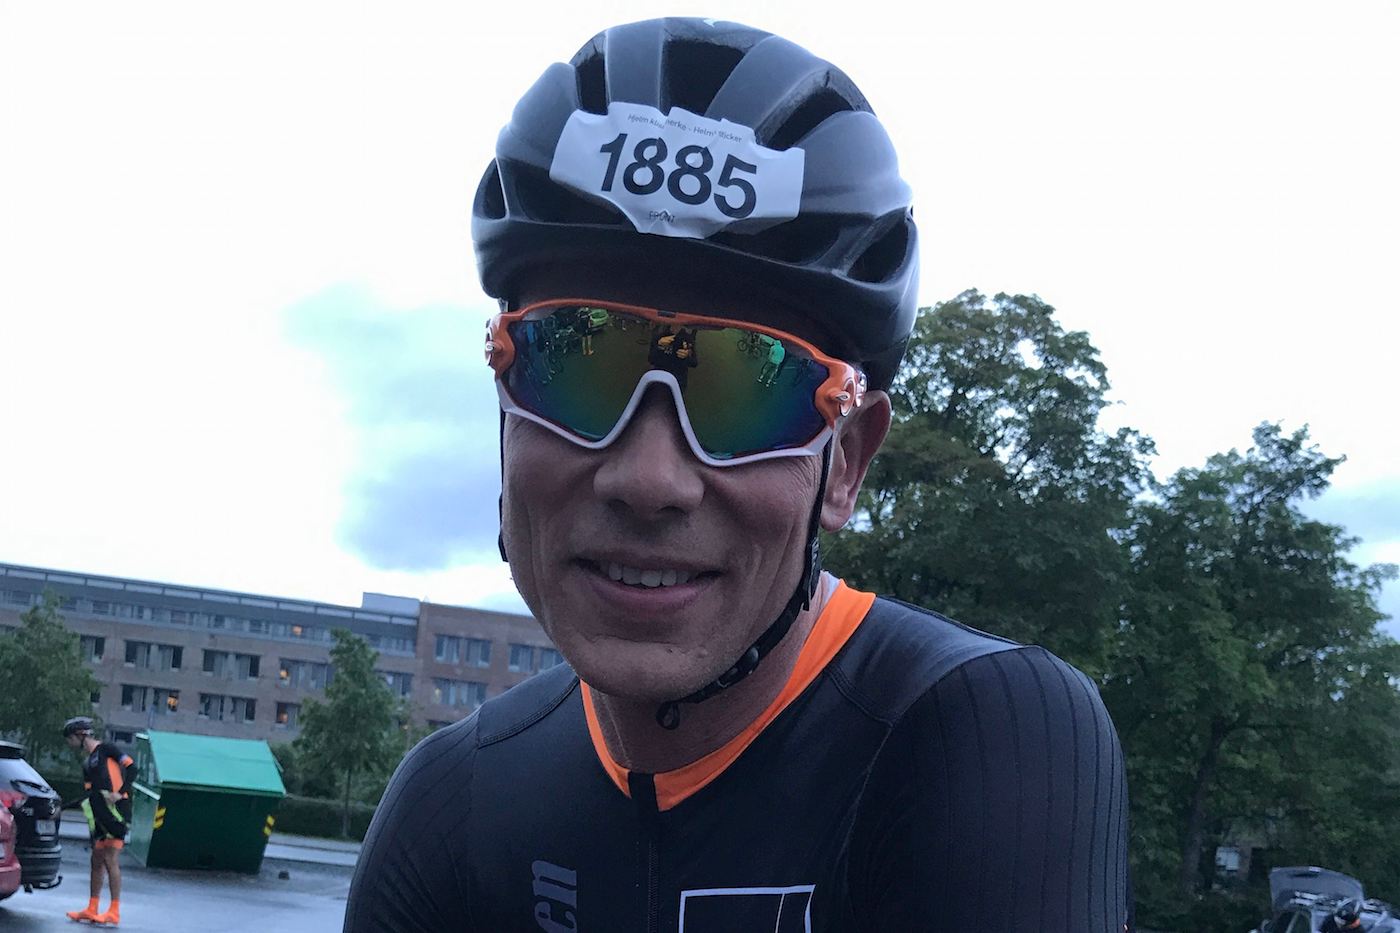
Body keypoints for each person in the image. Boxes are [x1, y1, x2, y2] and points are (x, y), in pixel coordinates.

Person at [346, 16, 1130, 932]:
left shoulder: (993, 736)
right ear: (505, 404)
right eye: (576, 361)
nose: (650, 479)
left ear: (847, 461)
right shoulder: (449, 799)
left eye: (749, 389)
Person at [61, 716, 133, 926]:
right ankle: (92, 908)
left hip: (116, 812)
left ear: (80, 735)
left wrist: (120, 793)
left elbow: (132, 768)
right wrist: (62, 808)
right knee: (96, 860)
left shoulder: (107, 749)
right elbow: (89, 794)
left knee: (111, 859)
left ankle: (114, 911)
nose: (69, 743)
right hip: (99, 815)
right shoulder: (87, 763)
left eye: (70, 739)